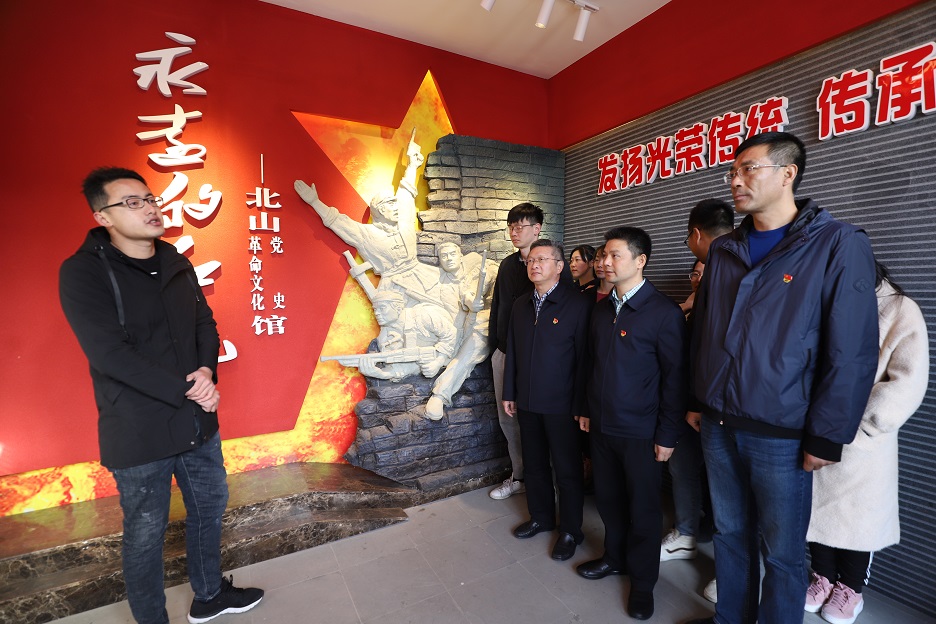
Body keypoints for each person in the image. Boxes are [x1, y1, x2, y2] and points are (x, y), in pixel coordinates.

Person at [686, 132, 879, 624]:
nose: (736, 180)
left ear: (788, 173)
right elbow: (704, 330)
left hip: (782, 431)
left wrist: (827, 434)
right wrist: (697, 398)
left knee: (783, 552)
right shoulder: (725, 249)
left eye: (748, 169)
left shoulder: (837, 244)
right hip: (717, 421)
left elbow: (852, 350)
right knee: (729, 534)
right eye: (733, 172)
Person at [59, 167, 264, 624]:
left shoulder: (175, 260)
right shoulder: (83, 272)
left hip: (196, 421)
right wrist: (191, 389)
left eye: (150, 198)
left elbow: (203, 324)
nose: (150, 208)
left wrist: (207, 371)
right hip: (139, 429)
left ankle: (210, 596)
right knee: (145, 534)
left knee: (209, 510)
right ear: (103, 216)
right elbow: (110, 354)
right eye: (132, 202)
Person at [805, 262, 929, 624]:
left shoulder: (899, 308)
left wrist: (867, 422)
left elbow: (908, 380)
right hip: (819, 429)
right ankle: (822, 578)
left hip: (864, 439)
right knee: (817, 514)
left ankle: (850, 590)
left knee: (858, 521)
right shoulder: (830, 301)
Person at [577, 226, 688, 621]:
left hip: (642, 431)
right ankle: (614, 557)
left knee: (643, 510)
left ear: (640, 261)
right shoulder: (601, 309)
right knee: (608, 500)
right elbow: (590, 365)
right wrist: (585, 409)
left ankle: (643, 583)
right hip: (602, 426)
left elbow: (676, 379)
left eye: (615, 255)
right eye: (603, 255)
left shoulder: (663, 313)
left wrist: (667, 433)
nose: (604, 262)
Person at [662, 199, 734, 600]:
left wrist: (702, 403)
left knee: (729, 489)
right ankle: (686, 532)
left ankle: (734, 569)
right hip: (696, 403)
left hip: (723, 407)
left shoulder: (732, 277)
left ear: (695, 235)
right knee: (684, 468)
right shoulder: (701, 296)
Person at [502, 239, 591, 561]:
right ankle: (540, 517)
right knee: (535, 465)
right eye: (531, 261)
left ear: (559, 266)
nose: (534, 265)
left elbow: (585, 360)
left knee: (567, 470)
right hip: (527, 401)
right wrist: (509, 392)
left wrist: (581, 405)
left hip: (562, 405)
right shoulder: (521, 305)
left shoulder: (578, 304)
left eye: (542, 260)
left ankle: (570, 530)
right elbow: (513, 352)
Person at [487, 203, 572, 499]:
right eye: (511, 226)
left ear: (536, 229)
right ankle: (520, 476)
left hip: (542, 356)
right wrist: (495, 347)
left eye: (520, 226)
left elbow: (565, 308)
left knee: (546, 421)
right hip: (506, 351)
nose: (514, 232)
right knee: (508, 418)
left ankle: (553, 482)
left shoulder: (553, 264)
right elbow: (498, 307)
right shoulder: (508, 265)